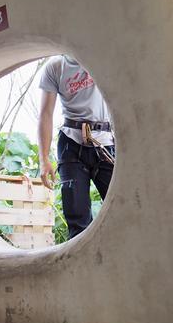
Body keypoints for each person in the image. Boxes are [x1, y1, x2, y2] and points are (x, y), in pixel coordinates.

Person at [38, 55, 116, 239]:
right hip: (71, 143)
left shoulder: (103, 56)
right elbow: (46, 114)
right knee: (76, 215)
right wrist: (44, 159)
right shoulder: (55, 67)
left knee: (122, 204)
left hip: (105, 142)